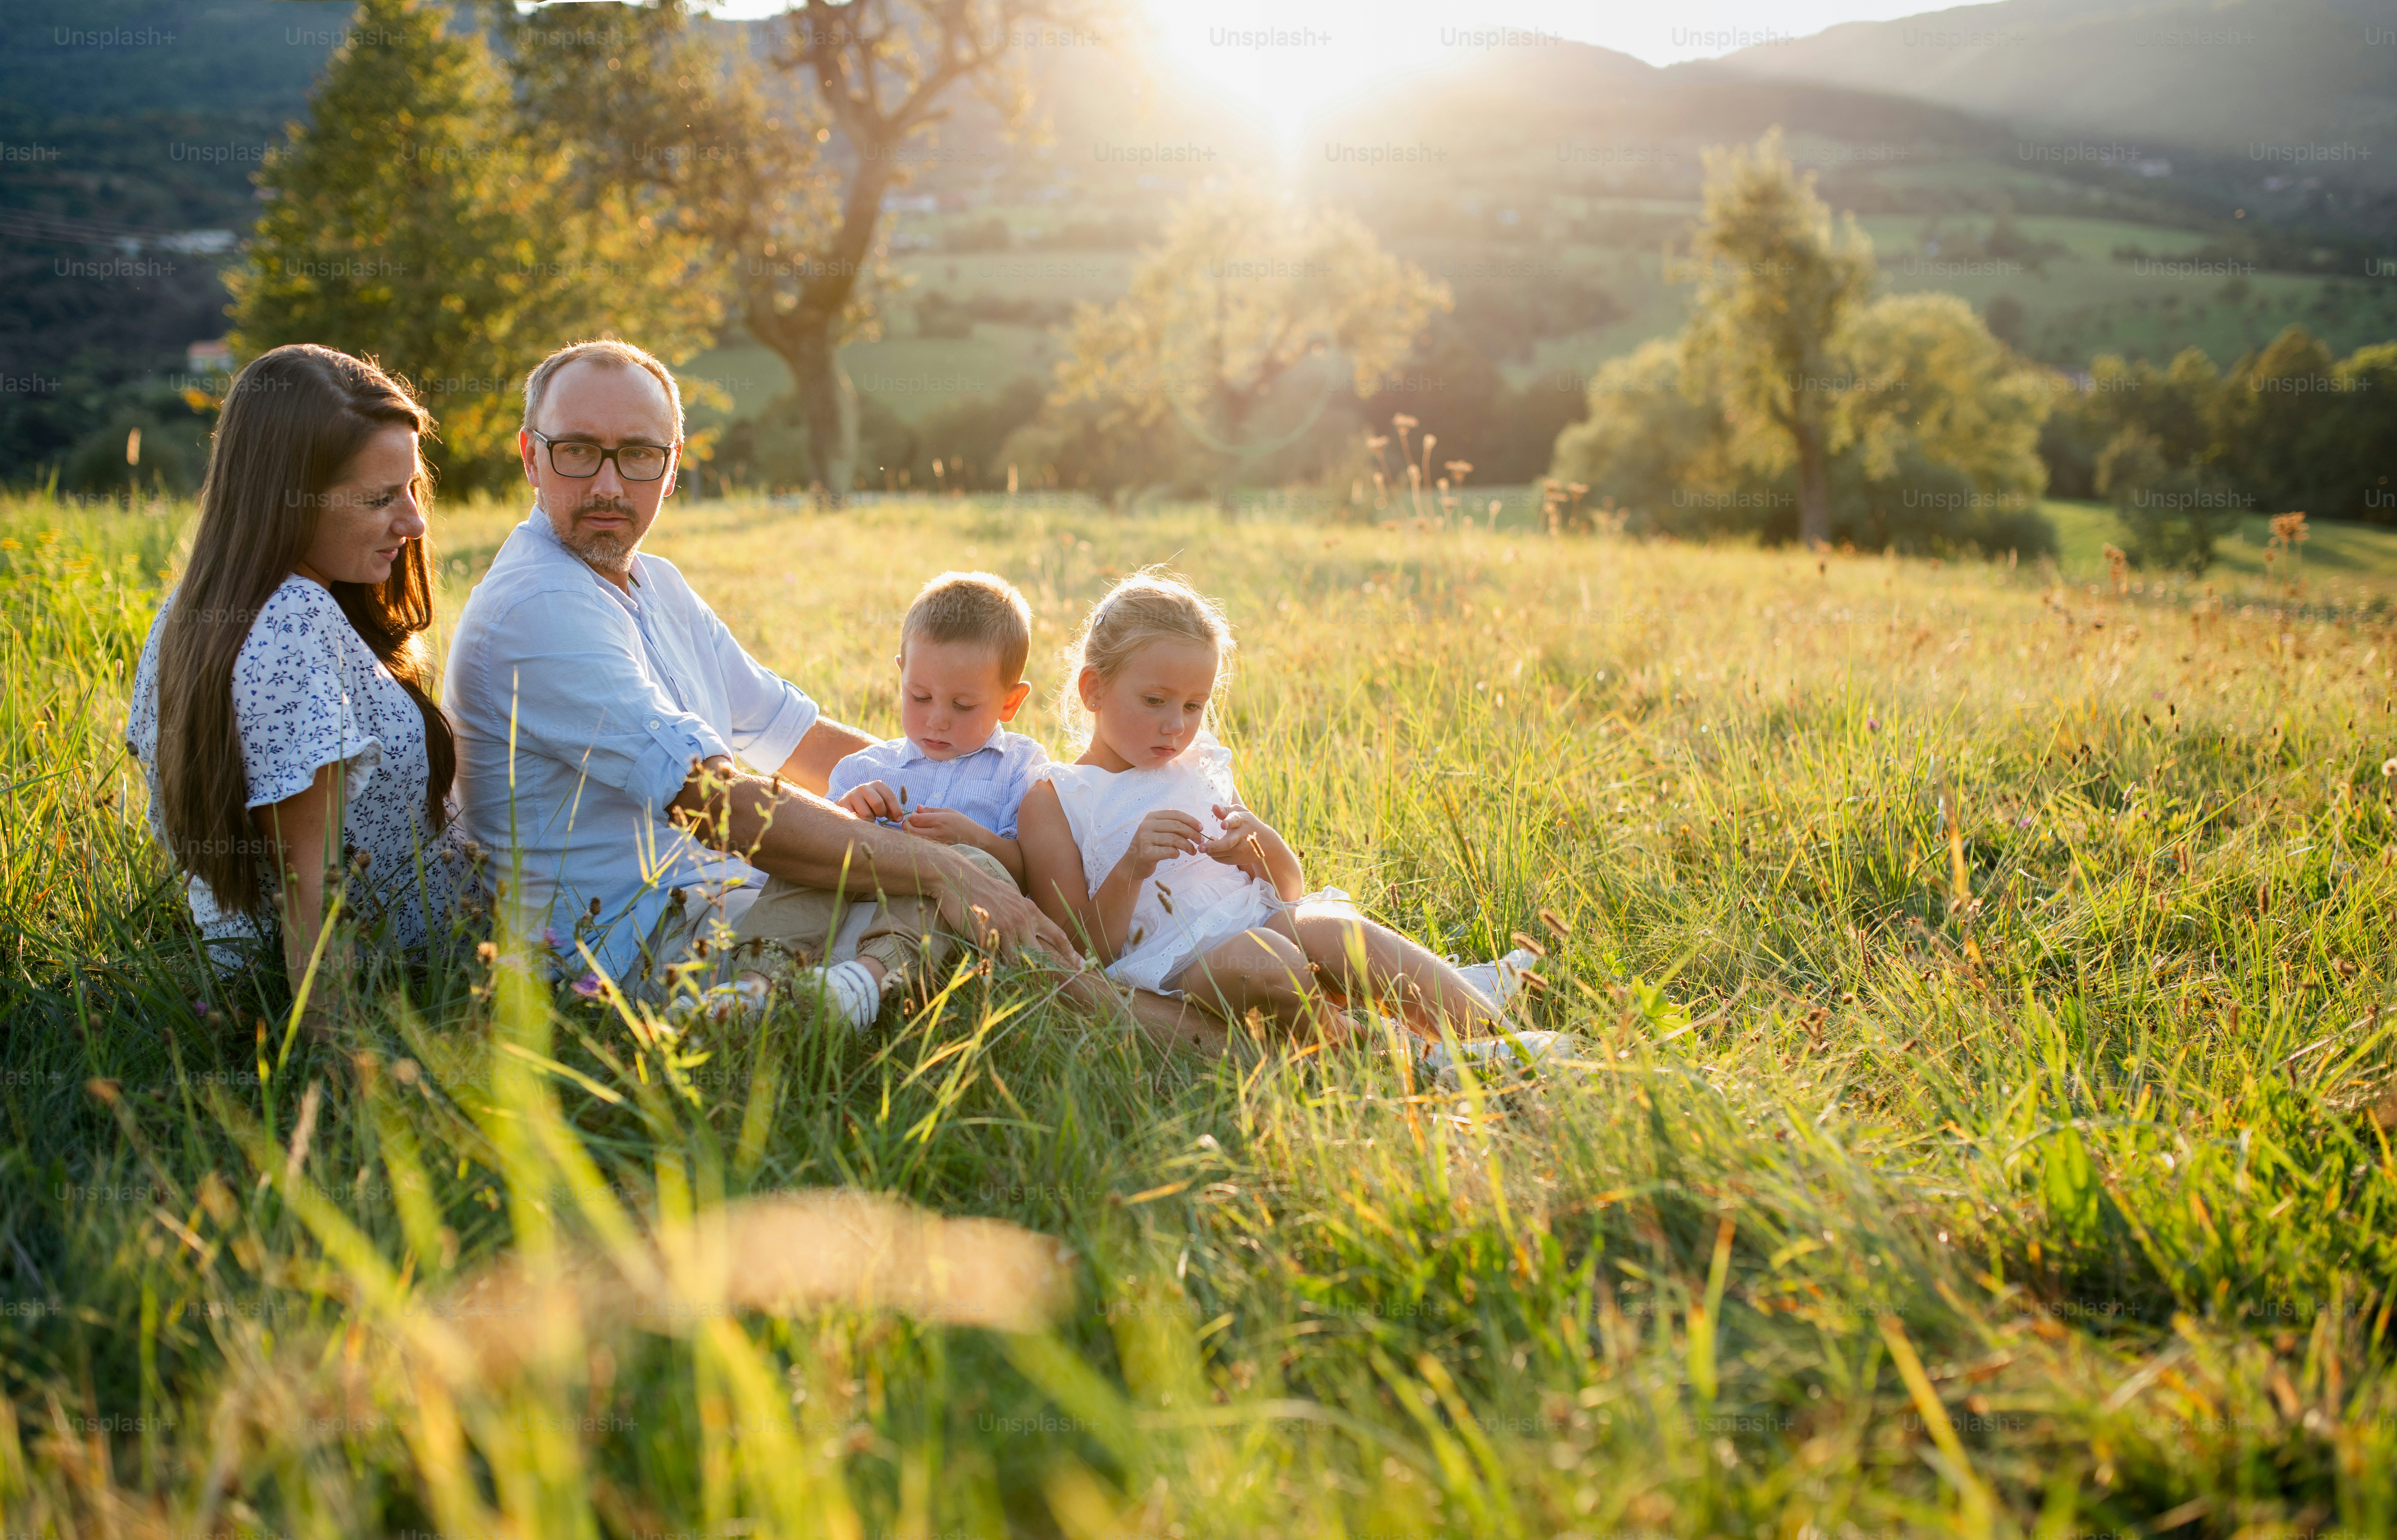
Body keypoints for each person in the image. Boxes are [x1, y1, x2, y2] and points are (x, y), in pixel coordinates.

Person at [442, 339, 1212, 1044]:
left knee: (957, 856)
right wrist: (941, 862)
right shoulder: (537, 607)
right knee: (958, 883)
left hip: (734, 907)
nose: (610, 484)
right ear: (530, 457)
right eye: (579, 451)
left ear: (671, 467)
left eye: (638, 455)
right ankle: (1180, 1042)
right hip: (635, 950)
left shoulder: (655, 584)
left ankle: (1186, 984)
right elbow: (717, 803)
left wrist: (1051, 809)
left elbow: (804, 740)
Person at [1016, 571, 1544, 1048]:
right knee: (1269, 961)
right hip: (1178, 967)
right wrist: (1131, 866)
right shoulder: (1056, 799)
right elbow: (1082, 954)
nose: (1175, 725)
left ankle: (1499, 1040)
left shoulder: (1197, 762)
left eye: (1193, 705)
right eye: (1154, 701)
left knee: (1336, 929)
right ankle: (1389, 1055)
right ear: (1094, 690)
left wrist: (1258, 842)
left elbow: (1288, 887)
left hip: (1264, 919)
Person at [127, 344, 471, 989]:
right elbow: (307, 894)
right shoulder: (292, 620)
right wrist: (333, 1061)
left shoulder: (192, 608)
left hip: (402, 967)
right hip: (416, 983)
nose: (415, 521)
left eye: (411, 490)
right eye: (380, 499)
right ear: (287, 498)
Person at [829, 571, 1048, 888]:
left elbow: (1034, 877)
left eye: (963, 705)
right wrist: (843, 819)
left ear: (1009, 702)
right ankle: (765, 938)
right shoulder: (862, 769)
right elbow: (814, 852)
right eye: (921, 697)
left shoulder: (1021, 768)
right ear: (901, 677)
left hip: (940, 919)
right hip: (856, 907)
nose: (937, 720)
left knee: (964, 871)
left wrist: (974, 839)